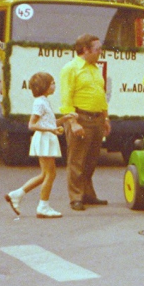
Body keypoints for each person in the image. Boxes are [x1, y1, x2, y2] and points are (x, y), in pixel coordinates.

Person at [5, 72, 74, 218]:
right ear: (45, 86)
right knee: (50, 174)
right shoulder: (40, 102)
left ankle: (17, 194)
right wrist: (51, 130)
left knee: (45, 174)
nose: (55, 85)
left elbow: (49, 122)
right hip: (44, 139)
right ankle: (43, 206)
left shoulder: (44, 101)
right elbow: (32, 125)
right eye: (52, 83)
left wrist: (65, 119)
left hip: (47, 138)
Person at [59, 34, 110, 211]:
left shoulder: (95, 68)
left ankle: (88, 193)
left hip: (96, 119)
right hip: (81, 118)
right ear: (85, 50)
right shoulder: (71, 68)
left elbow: (100, 95)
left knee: (91, 160)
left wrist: (105, 118)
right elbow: (66, 99)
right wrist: (73, 123)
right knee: (77, 160)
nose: (100, 52)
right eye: (97, 49)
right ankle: (76, 197)